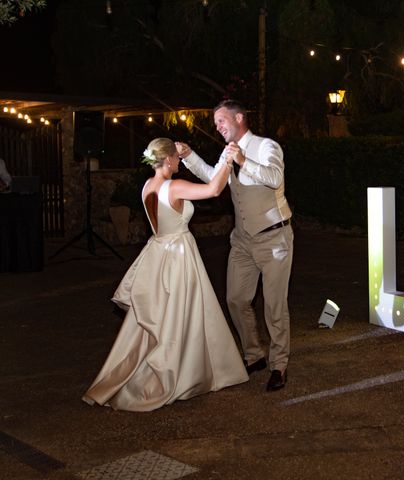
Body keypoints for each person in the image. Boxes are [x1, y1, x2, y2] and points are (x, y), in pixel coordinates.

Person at [82, 138, 248, 411]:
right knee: (184, 312)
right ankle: (178, 372)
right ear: (169, 160)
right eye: (177, 159)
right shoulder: (175, 187)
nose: (180, 163)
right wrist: (227, 159)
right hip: (179, 255)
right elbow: (215, 189)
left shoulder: (148, 185)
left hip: (157, 251)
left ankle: (158, 365)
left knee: (162, 315)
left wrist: (184, 152)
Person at [178, 99, 293, 392]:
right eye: (216, 123)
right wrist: (190, 156)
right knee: (236, 299)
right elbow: (213, 179)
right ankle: (254, 355)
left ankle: (279, 364)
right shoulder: (227, 151)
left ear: (239, 118)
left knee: (274, 306)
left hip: (273, 239)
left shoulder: (267, 147)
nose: (217, 127)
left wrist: (243, 160)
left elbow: (274, 177)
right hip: (242, 241)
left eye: (221, 121)